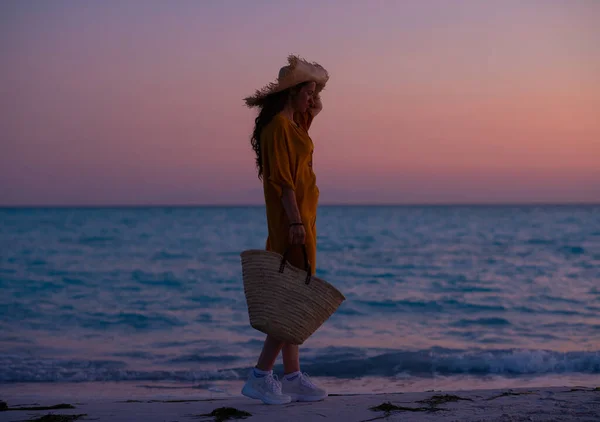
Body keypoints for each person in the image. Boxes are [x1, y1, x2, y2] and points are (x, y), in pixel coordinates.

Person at [240, 55, 329, 405]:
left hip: (304, 220)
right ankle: (260, 375)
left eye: (312, 92)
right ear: (291, 94)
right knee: (289, 299)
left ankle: (291, 377)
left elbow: (317, 104)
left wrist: (309, 86)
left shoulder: (296, 124)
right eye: (306, 92)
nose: (312, 98)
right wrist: (294, 222)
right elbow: (283, 182)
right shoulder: (278, 127)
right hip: (291, 222)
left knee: (294, 294)